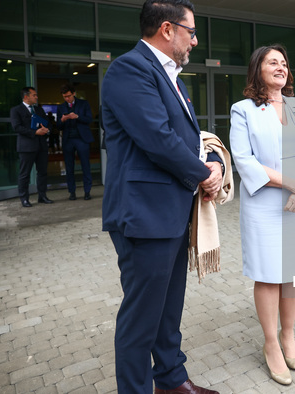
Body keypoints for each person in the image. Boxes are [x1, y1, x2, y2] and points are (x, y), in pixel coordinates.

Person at [101, 1, 223, 393]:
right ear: (168, 30)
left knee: (167, 313)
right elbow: (157, 139)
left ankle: (171, 381)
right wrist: (203, 174)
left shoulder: (174, 77)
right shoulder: (129, 69)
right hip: (144, 217)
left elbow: (190, 138)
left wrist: (214, 160)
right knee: (141, 320)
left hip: (171, 215)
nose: (196, 40)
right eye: (191, 31)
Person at [230, 45, 295, 386]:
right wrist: (291, 184)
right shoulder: (243, 110)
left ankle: (288, 334)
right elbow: (244, 159)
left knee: (293, 272)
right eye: (273, 62)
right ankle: (270, 343)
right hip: (266, 203)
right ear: (258, 69)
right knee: (268, 274)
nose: (280, 67)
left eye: (284, 63)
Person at [10, 87, 53, 207]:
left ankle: (42, 196)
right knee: (25, 174)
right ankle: (24, 198)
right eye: (34, 95)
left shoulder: (39, 110)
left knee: (42, 172)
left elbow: (48, 124)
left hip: (41, 146)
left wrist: (47, 129)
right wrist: (34, 132)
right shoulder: (16, 110)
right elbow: (17, 127)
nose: (36, 97)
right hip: (26, 147)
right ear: (26, 96)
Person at [57, 84, 94, 201]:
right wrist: (62, 120)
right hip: (68, 140)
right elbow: (58, 126)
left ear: (74, 93)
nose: (67, 98)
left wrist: (77, 116)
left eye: (68, 96)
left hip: (82, 139)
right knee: (69, 167)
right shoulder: (61, 107)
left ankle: (87, 191)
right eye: (64, 97)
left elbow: (89, 119)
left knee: (85, 166)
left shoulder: (84, 104)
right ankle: (72, 192)